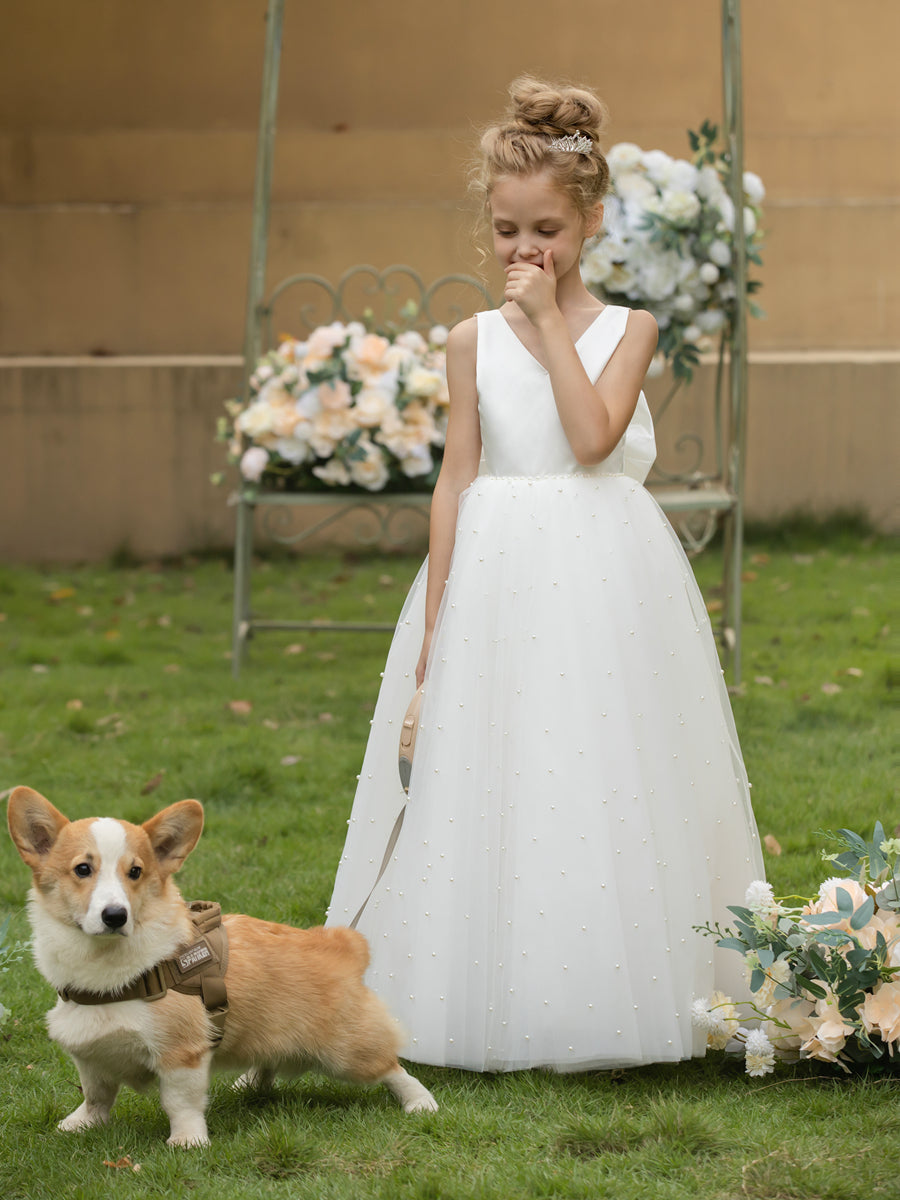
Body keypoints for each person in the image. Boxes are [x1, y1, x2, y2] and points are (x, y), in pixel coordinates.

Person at [326, 77, 763, 1072]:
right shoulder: (469, 341)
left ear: (591, 221)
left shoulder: (630, 330)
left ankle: (610, 986)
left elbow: (593, 436)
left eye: (548, 233)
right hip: (492, 576)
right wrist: (434, 633)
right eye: (508, 232)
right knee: (493, 767)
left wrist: (555, 324)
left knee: (598, 768)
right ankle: (477, 984)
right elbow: (456, 480)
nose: (526, 254)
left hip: (602, 577)